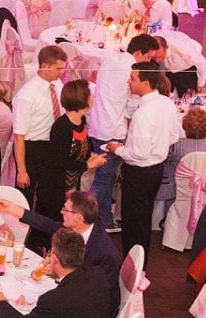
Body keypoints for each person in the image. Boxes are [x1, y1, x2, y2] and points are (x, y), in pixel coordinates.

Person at [0, 191, 122, 318]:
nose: (61, 212)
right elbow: (48, 224)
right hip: (76, 293)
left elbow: (103, 297)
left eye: (65, 209)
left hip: (92, 313)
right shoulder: (78, 228)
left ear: (78, 217)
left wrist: (58, 272)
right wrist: (13, 209)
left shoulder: (104, 252)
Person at [105, 62, 180, 261]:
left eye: (132, 78)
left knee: (132, 223)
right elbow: (174, 137)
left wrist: (117, 149)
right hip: (156, 170)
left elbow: (138, 153)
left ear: (145, 83)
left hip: (139, 173)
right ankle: (139, 264)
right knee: (143, 219)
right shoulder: (167, 103)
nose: (128, 82)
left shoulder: (143, 113)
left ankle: (132, 268)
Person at [89, 35, 158, 233]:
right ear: (139, 53)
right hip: (113, 130)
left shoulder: (111, 58)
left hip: (96, 125)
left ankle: (106, 221)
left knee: (107, 178)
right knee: (102, 180)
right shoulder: (133, 72)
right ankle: (80, 216)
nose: (149, 63)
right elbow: (130, 107)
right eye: (148, 58)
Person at [35, 79, 106, 224]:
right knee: (52, 225)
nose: (93, 98)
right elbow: (59, 161)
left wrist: (92, 158)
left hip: (72, 184)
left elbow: (81, 151)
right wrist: (87, 165)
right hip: (54, 187)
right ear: (81, 99)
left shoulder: (82, 121)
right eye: (90, 95)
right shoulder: (62, 127)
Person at [13, 45, 68, 206]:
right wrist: (22, 170)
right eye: (59, 68)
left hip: (53, 146)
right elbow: (18, 136)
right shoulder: (26, 96)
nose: (62, 72)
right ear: (45, 66)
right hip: (32, 148)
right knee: (26, 195)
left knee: (50, 194)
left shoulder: (57, 85)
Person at [156, 106, 206, 222]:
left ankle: (169, 223)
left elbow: (161, 158)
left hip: (179, 191)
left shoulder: (176, 145)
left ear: (185, 127)